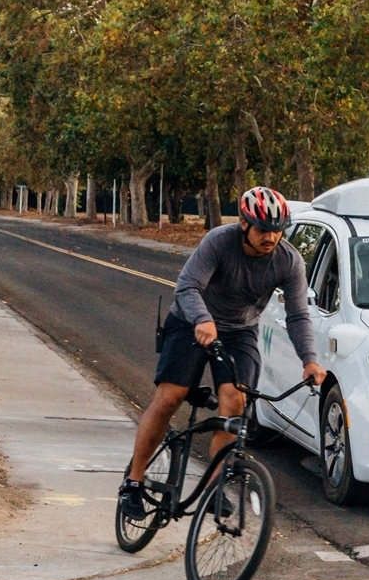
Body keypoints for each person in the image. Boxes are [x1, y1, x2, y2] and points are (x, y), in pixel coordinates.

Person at [119, 186, 326, 520]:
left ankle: (215, 488)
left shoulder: (289, 261)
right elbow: (188, 286)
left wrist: (310, 360)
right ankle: (133, 482)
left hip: (240, 331)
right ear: (244, 224)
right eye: (262, 229)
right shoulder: (219, 242)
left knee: (235, 403)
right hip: (190, 322)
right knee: (171, 396)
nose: (270, 237)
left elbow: (298, 314)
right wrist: (202, 319)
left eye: (277, 230)